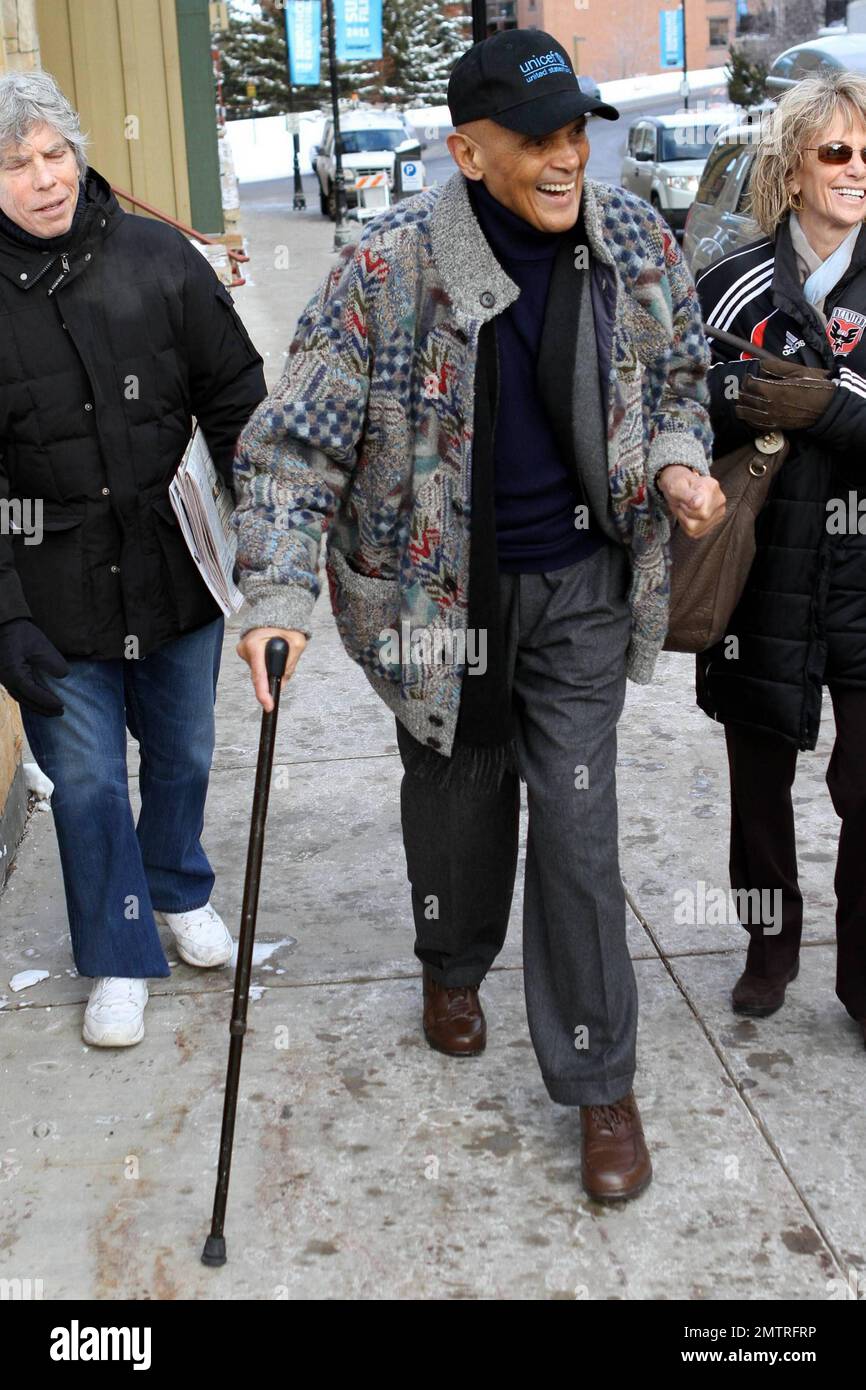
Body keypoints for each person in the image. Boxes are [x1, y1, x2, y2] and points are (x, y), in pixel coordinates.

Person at [234, 30, 722, 1201]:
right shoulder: (386, 266)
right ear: (465, 150)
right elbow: (296, 447)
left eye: (575, 133)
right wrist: (275, 593)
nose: (566, 159)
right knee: (453, 798)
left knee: (575, 826)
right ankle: (450, 960)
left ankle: (601, 1084)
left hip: (578, 593)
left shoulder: (633, 242)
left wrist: (670, 461)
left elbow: (679, 380)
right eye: (537, 139)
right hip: (431, 601)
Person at [0, 71, 267, 1046]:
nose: (42, 178)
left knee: (185, 748)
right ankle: (117, 951)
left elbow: (236, 395)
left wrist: (262, 528)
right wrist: (6, 615)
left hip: (171, 565)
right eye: (15, 162)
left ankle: (174, 884)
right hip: (49, 586)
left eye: (54, 153)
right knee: (87, 779)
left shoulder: (158, 259)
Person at [695, 72, 866, 1046]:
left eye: (864, 154)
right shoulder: (730, 280)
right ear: (793, 166)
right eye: (835, 151)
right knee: (756, 785)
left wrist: (828, 407)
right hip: (758, 572)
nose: (853, 170)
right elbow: (675, 400)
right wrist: (737, 396)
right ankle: (767, 951)